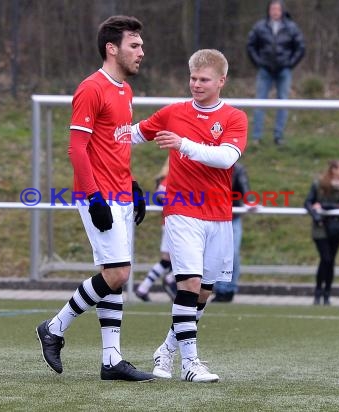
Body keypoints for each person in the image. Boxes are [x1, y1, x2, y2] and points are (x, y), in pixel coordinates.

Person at [35, 15, 155, 382]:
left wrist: (132, 187)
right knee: (119, 273)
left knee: (114, 276)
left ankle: (111, 360)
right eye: (134, 45)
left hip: (119, 194)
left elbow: (115, 145)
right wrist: (94, 198)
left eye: (141, 45)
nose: (141, 52)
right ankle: (54, 328)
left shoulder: (125, 91)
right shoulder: (91, 88)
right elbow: (77, 149)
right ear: (112, 48)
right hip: (98, 196)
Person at [132, 49, 248, 382]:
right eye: (192, 78)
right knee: (189, 283)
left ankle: (166, 350)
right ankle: (190, 364)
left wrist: (183, 144)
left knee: (204, 292)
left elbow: (226, 158)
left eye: (203, 79)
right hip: (182, 211)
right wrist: (99, 135)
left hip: (219, 215)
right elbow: (135, 134)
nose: (196, 84)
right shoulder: (173, 112)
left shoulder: (233, 118)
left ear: (221, 81)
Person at [246, 0, 305, 145]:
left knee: (283, 102)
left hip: (284, 70)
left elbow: (301, 47)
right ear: (269, 10)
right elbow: (250, 46)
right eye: (272, 8)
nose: (275, 11)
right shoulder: (260, 27)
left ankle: (278, 137)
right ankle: (256, 137)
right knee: (260, 102)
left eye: (277, 9)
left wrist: (290, 64)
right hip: (265, 70)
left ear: (282, 10)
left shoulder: (291, 27)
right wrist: (258, 62)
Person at [304, 160, 339, 306]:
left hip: (335, 226)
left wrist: (322, 206)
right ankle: (318, 291)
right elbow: (307, 202)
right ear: (333, 170)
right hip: (320, 226)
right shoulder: (319, 185)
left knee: (331, 261)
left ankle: (327, 293)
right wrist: (316, 214)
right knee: (326, 258)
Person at [135, 159, 177, 302]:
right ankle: (171, 279)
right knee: (187, 257)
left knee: (166, 260)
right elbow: (160, 194)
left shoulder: (172, 174)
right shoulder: (174, 174)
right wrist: (180, 203)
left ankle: (144, 288)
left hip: (173, 221)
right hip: (176, 222)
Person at [212, 161, 251, 303]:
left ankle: (229, 289)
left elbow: (245, 189)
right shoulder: (209, 165)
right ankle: (219, 289)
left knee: (232, 254)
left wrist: (250, 202)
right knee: (215, 253)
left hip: (231, 217)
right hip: (211, 216)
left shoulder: (238, 169)